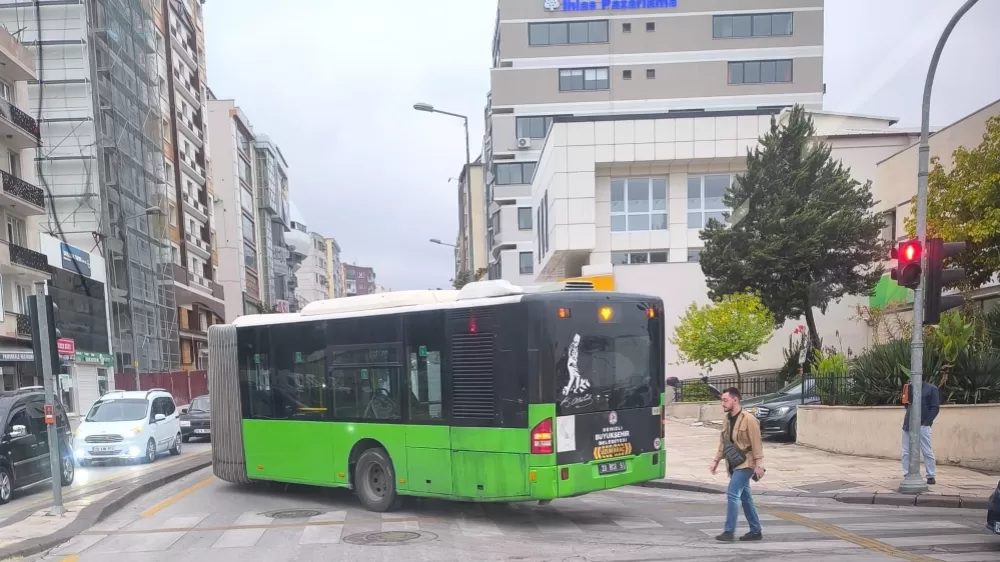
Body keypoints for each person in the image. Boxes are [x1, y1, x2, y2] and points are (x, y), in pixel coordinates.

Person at [709, 387, 764, 542]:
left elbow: (757, 443)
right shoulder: (727, 419)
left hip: (747, 463)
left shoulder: (749, 419)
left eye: (725, 400)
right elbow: (723, 443)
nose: (722, 404)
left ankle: (729, 531)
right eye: (721, 400)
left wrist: (758, 465)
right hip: (733, 462)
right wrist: (715, 461)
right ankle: (756, 530)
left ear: (735, 400)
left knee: (733, 493)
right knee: (746, 498)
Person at [902, 381, 940, 485]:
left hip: (923, 425)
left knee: (926, 451)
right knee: (906, 452)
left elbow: (935, 408)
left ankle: (931, 475)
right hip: (908, 424)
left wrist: (927, 423)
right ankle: (906, 474)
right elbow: (906, 403)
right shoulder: (909, 387)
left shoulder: (932, 388)